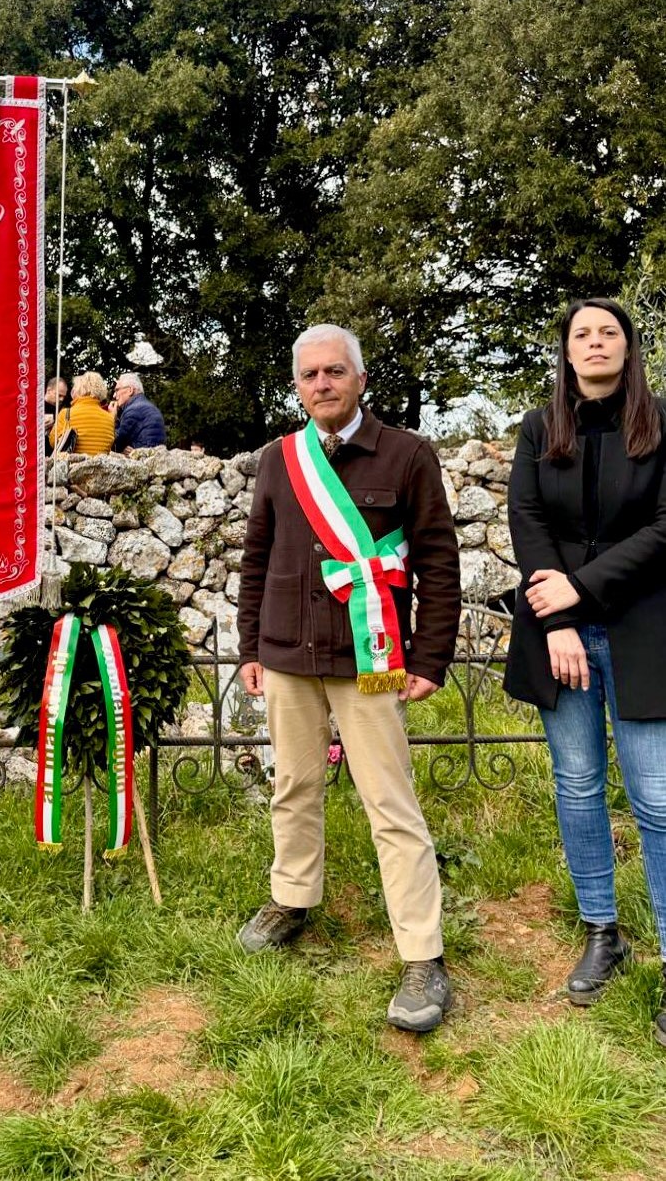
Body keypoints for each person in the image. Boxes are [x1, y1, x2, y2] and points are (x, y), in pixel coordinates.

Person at [237, 323, 461, 1033]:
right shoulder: (280, 460)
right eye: (310, 375)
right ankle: (292, 898)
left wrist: (428, 658)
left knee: (389, 803)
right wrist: (250, 646)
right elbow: (255, 556)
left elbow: (437, 560)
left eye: (335, 371)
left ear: (361, 379)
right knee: (293, 785)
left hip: (370, 661)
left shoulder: (407, 455)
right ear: (298, 386)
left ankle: (422, 953)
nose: (322, 383)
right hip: (286, 657)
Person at [505, 298, 666, 1047]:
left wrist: (584, 588)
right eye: (581, 334)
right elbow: (528, 520)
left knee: (657, 797)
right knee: (576, 784)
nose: (594, 342)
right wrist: (560, 616)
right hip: (557, 635)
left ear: (627, 349)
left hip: (642, 629)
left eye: (608, 333)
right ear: (566, 353)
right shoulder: (541, 429)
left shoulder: (659, 422)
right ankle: (602, 930)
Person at [48, 371, 115, 455]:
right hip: (100, 466)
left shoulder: (66, 413)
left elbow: (52, 442)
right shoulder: (110, 418)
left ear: (78, 390)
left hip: (73, 466)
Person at [110, 372, 166, 451]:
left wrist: (113, 419)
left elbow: (115, 445)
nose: (114, 395)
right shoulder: (148, 407)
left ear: (130, 390)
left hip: (143, 460)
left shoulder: (132, 410)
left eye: (117, 390)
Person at [44, 376, 69, 453]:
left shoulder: (62, 411)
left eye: (63, 396)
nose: (62, 399)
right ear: (48, 391)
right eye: (59, 395)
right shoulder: (35, 407)